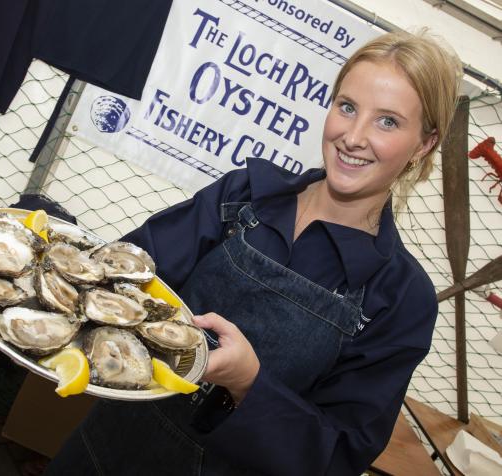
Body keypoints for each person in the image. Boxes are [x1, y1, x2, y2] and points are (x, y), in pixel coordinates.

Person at [44, 30, 462, 476]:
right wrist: (54, 249)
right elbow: (129, 273)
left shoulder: (399, 297)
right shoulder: (243, 195)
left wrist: (248, 384)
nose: (353, 137)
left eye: (388, 122)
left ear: (424, 144)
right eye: (347, 107)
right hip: (104, 450)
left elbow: (337, 457)